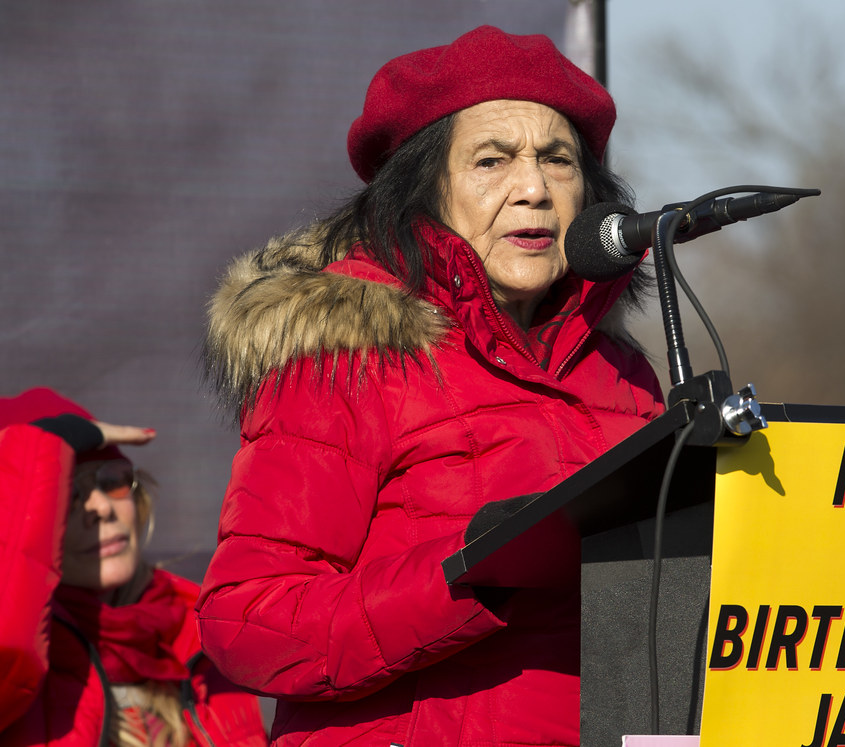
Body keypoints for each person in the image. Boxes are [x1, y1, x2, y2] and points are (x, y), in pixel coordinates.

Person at [196, 25, 665, 746]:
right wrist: (474, 573)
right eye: (491, 159)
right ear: (425, 190)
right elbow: (246, 622)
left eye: (558, 159)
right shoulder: (348, 355)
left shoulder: (625, 376)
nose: (534, 188)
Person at [0, 387, 269, 746]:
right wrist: (36, 452)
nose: (102, 508)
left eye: (111, 482)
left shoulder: (204, 633)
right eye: (66, 493)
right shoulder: (20, 678)